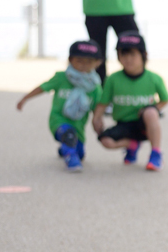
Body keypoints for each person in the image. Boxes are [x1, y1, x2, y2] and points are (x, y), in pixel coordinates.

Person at [16, 40, 106, 172]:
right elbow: (43, 87)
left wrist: (97, 121)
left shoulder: (95, 87)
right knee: (69, 135)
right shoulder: (62, 77)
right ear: (70, 60)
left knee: (80, 153)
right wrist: (25, 98)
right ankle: (71, 161)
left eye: (89, 61)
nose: (84, 65)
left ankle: (65, 148)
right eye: (79, 60)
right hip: (59, 120)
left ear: (98, 63)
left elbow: (98, 108)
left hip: (78, 125)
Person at [92, 33, 168, 171]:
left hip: (143, 124)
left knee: (151, 113)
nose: (128, 59)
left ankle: (156, 154)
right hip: (124, 124)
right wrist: (96, 118)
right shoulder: (113, 79)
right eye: (123, 55)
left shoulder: (154, 78)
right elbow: (103, 102)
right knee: (105, 141)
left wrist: (153, 108)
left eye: (133, 55)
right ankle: (132, 145)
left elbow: (165, 99)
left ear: (144, 55)